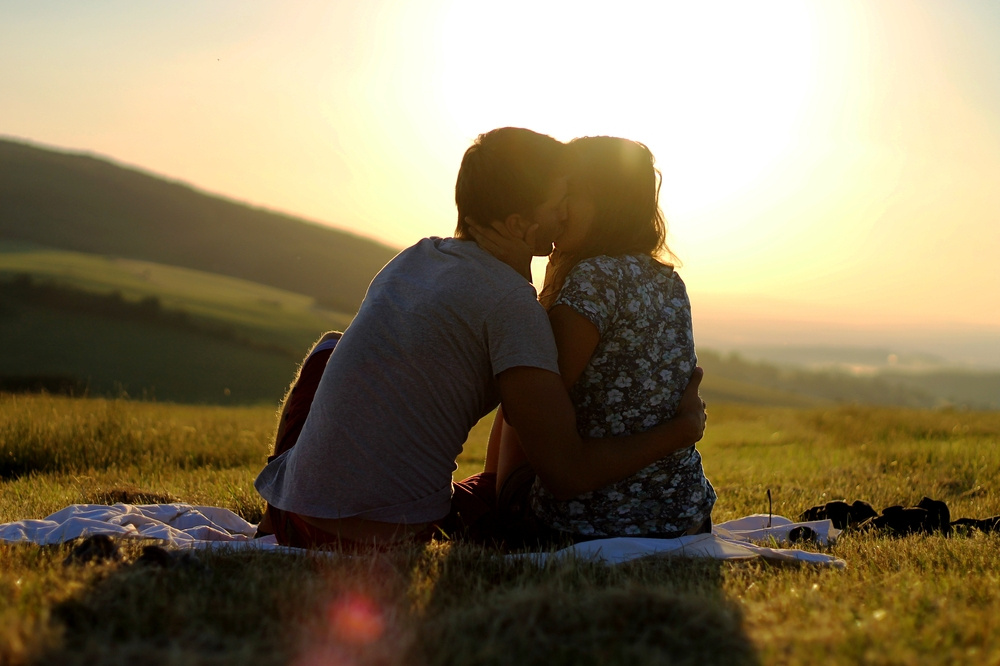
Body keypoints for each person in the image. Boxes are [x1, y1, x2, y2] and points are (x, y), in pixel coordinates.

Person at [254, 127, 707, 548]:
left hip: (299, 517)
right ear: (519, 224)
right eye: (558, 201)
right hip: (382, 535)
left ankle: (274, 517)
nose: (563, 212)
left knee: (329, 350)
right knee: (497, 461)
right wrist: (683, 430)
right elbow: (562, 469)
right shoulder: (517, 308)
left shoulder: (413, 258)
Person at [480, 136, 716, 541]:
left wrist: (517, 273)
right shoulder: (669, 281)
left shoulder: (593, 280)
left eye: (569, 194)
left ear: (606, 203)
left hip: (591, 524)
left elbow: (530, 405)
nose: (558, 210)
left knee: (522, 387)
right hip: (685, 515)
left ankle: (494, 505)